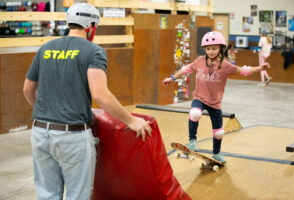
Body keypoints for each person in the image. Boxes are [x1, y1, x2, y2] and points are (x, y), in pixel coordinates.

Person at [23, 3, 151, 200]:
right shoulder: (93, 51)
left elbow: (27, 89)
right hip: (71, 137)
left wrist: (49, 112)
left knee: (47, 195)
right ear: (91, 26)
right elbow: (100, 94)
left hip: (40, 133)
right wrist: (131, 120)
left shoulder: (45, 48)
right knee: (78, 195)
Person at [163, 31, 270, 163]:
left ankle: (217, 154)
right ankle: (192, 141)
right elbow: (186, 69)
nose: (211, 51)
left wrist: (260, 68)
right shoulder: (199, 61)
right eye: (208, 49)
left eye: (214, 48)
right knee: (195, 113)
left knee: (219, 133)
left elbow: (244, 71)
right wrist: (172, 78)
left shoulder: (225, 65)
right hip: (199, 98)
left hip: (215, 103)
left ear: (220, 48)